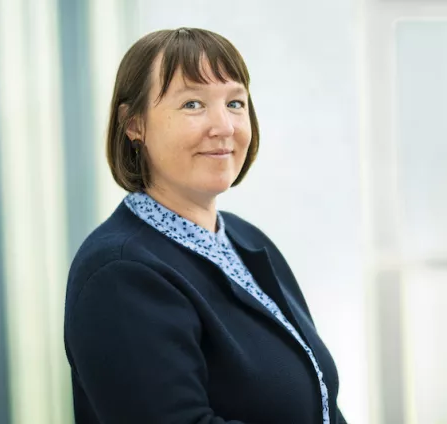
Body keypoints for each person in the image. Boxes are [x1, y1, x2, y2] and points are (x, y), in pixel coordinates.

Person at [64, 27, 347, 424]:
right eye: (193, 103)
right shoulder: (119, 274)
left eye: (235, 103)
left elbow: (320, 402)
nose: (224, 127)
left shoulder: (244, 240)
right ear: (134, 125)